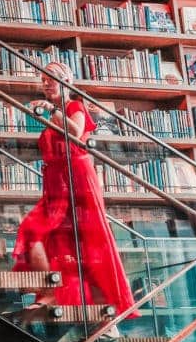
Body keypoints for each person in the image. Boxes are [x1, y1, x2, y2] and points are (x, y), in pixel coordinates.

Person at [12, 62, 136, 322]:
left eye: (52, 79)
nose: (46, 83)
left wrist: (53, 110)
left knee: (75, 236)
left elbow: (77, 132)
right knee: (48, 236)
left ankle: (56, 293)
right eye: (43, 79)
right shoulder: (56, 112)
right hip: (55, 182)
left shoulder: (74, 106)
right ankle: (52, 293)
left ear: (66, 82)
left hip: (75, 178)